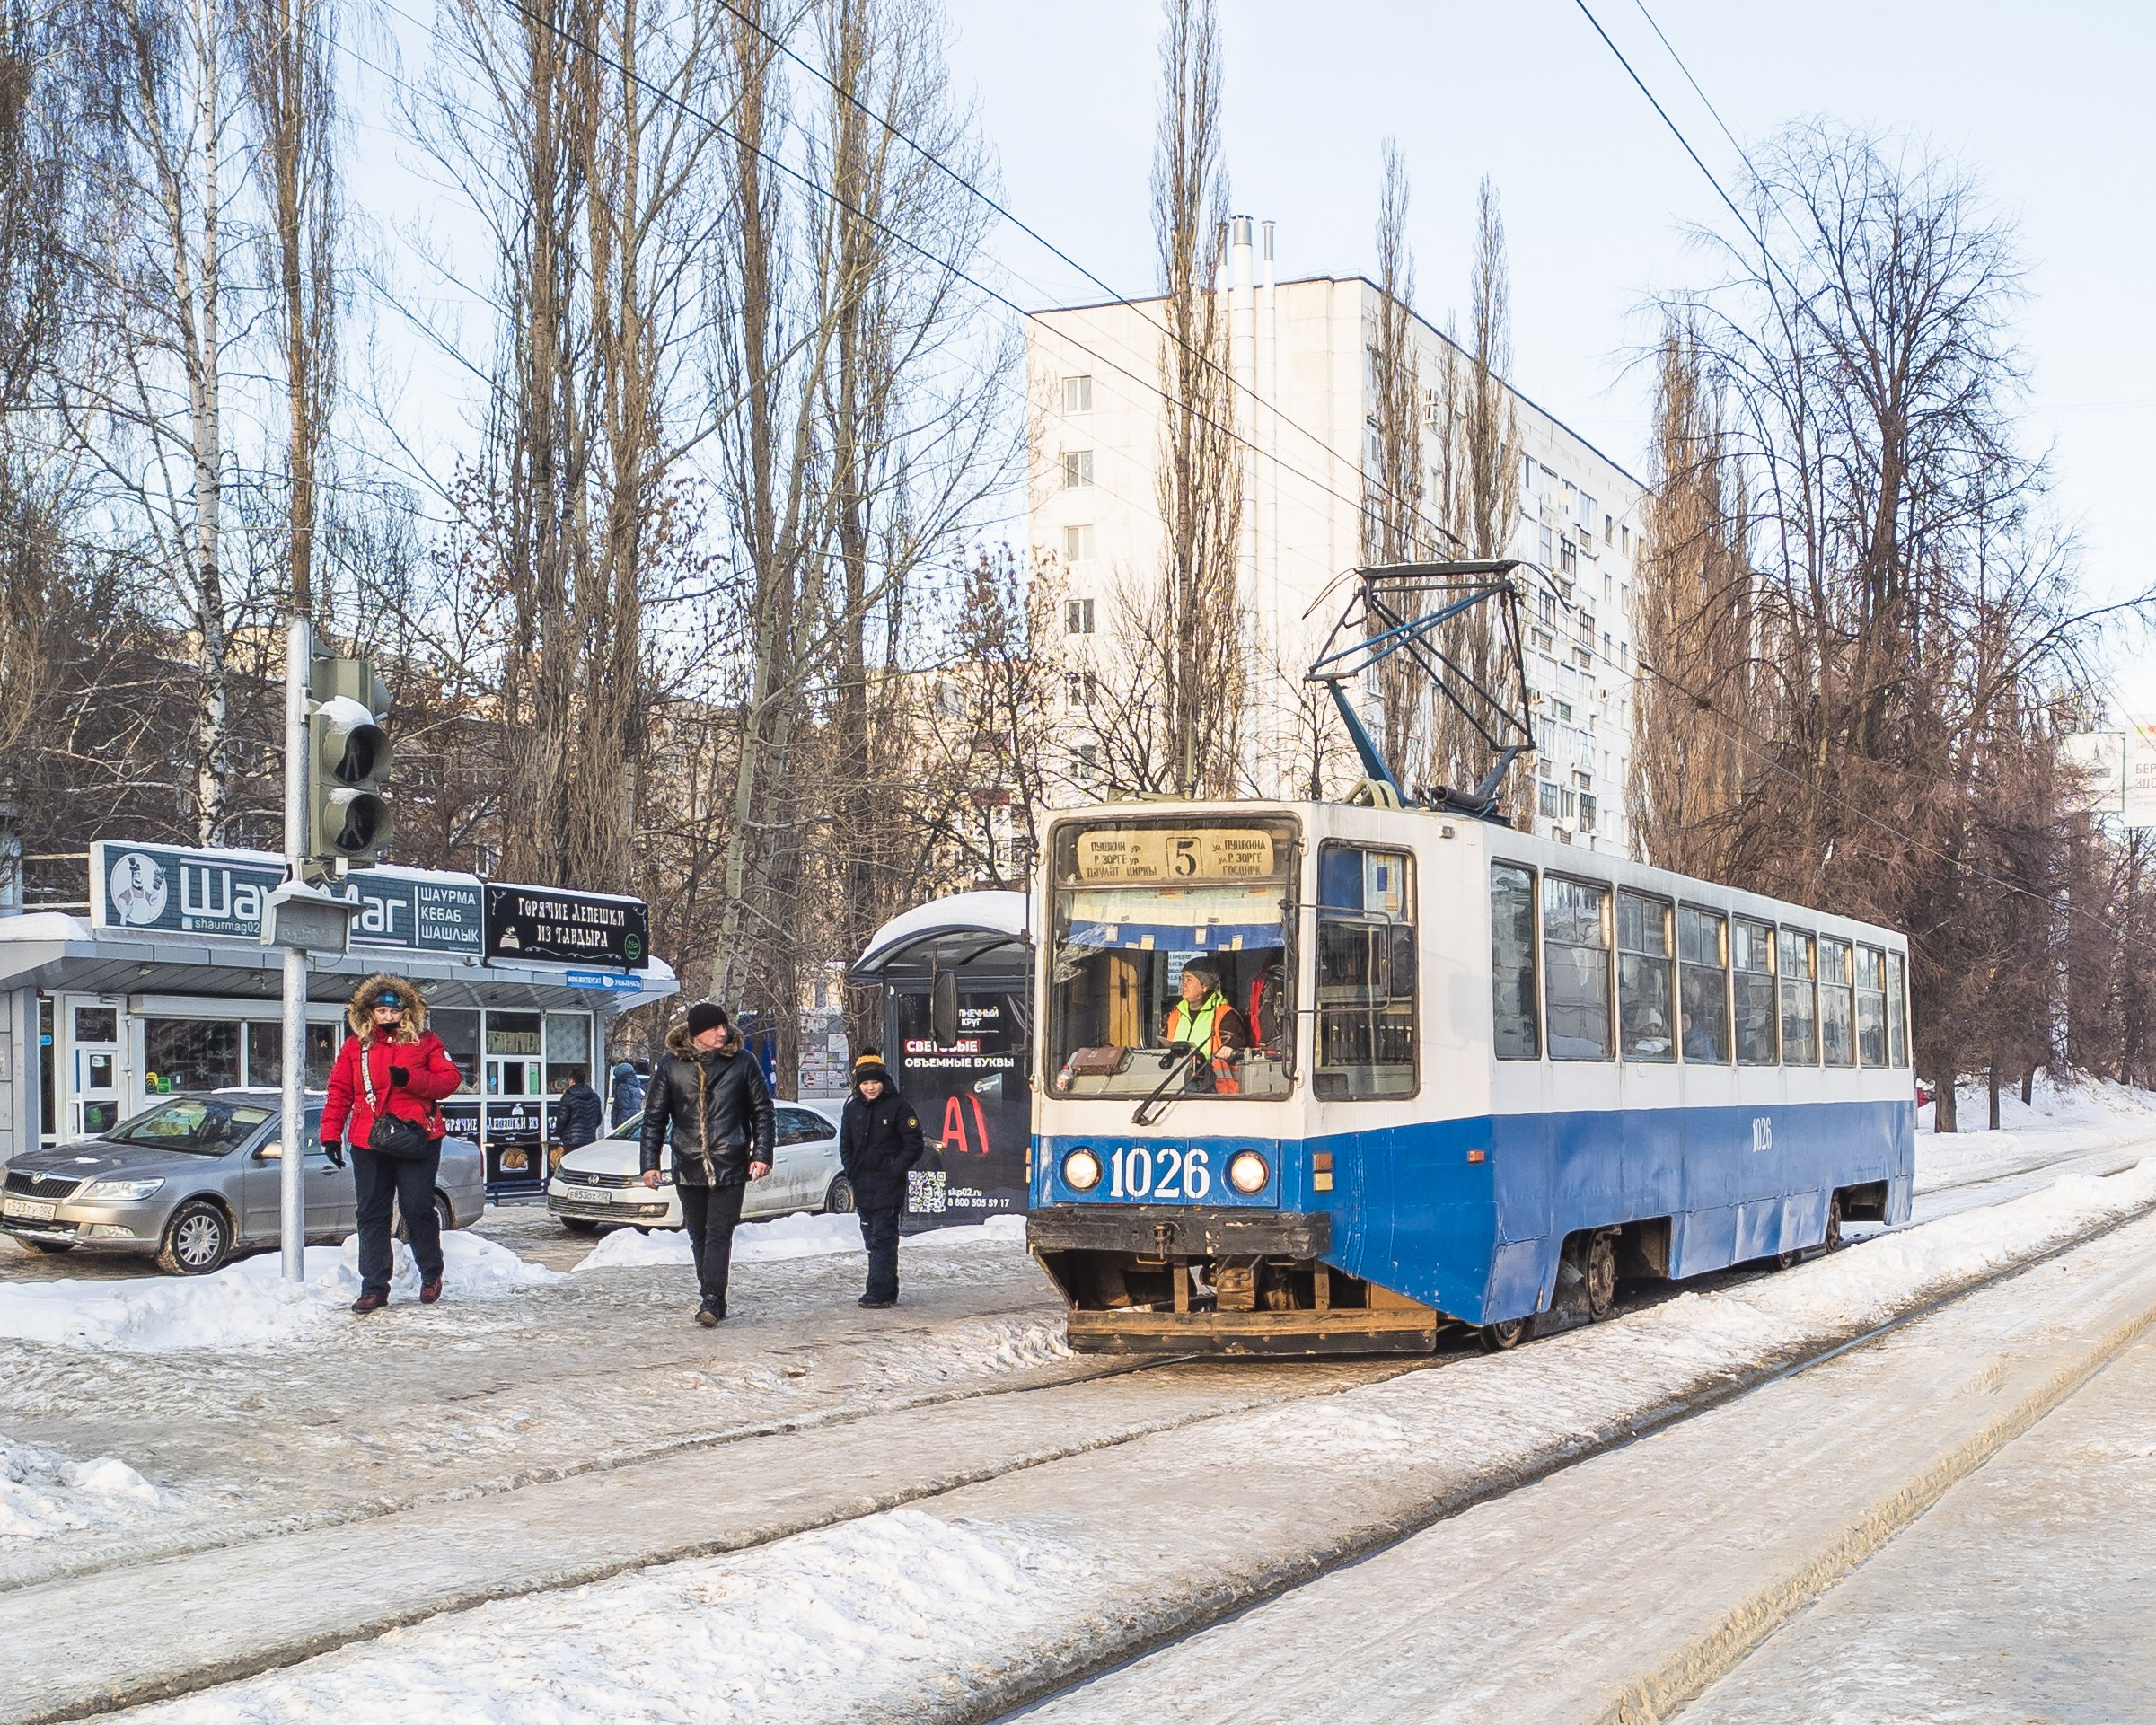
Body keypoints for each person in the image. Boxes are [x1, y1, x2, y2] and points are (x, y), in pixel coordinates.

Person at [321, 974, 463, 1315]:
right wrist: (330, 1134)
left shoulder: (426, 1042)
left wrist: (411, 1079)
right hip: (369, 1139)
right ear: (369, 1012)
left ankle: (431, 1271)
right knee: (371, 1213)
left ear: (406, 1011)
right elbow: (339, 1091)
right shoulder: (356, 1046)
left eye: (393, 1011)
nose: (387, 1017)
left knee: (416, 1207)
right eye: (381, 1011)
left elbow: (449, 1080)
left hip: (417, 1136)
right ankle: (373, 1288)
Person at [639, 1002, 773, 1326]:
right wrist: (649, 1162)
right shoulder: (671, 1066)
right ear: (697, 1033)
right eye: (714, 1028)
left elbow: (762, 1111)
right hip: (688, 1162)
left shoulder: (743, 1062)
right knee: (698, 1233)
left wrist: (762, 1154)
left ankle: (712, 1298)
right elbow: (654, 1117)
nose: (722, 1033)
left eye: (724, 1027)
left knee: (719, 1233)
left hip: (730, 1161)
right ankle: (711, 1295)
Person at [838, 1050, 926, 1309]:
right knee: (871, 1238)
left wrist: (894, 1167)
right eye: (865, 1083)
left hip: (888, 1184)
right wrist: (851, 1169)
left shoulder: (899, 1108)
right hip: (862, 1184)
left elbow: (914, 1144)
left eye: (874, 1082)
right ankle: (887, 1289)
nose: (870, 1087)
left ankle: (877, 1291)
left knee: (883, 1237)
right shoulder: (851, 1108)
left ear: (883, 1082)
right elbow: (845, 1143)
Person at [1161, 962, 1249, 1094]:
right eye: (1183, 979)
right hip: (1174, 1088)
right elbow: (1162, 1049)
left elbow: (1234, 1042)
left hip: (1215, 1091)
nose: (1183, 984)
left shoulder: (1225, 1015)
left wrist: (1229, 1048)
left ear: (1204, 986)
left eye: (1189, 979)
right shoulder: (1174, 1014)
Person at [555, 1068, 603, 1154]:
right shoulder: (594, 1096)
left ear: (572, 1080)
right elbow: (598, 1119)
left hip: (572, 1141)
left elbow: (562, 1120)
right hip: (590, 1140)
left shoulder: (568, 1097)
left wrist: (561, 1135)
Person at [611, 1058, 646, 1128]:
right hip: (634, 1121)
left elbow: (624, 1108)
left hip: (625, 1123)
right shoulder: (635, 1087)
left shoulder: (623, 1087)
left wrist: (620, 1126)